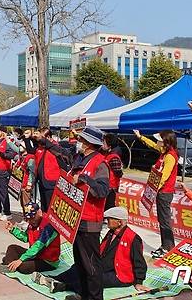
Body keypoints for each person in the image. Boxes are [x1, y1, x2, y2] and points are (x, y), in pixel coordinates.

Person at [44, 126, 109, 300]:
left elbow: (102, 191)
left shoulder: (100, 163)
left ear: (89, 143)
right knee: (79, 263)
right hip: (75, 221)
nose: (78, 142)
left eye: (81, 140)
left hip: (89, 223)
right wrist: (42, 141)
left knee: (91, 266)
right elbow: (60, 151)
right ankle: (82, 294)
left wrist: (83, 179)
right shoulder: (79, 158)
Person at [35, 207, 149, 295]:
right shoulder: (110, 233)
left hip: (119, 274)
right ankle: (54, 279)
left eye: (109, 219)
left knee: (92, 279)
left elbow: (139, 262)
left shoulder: (133, 238)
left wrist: (139, 282)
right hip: (104, 267)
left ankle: (64, 286)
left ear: (119, 222)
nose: (107, 221)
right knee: (79, 267)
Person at [133, 130, 178, 259]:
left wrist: (152, 190)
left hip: (164, 192)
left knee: (164, 221)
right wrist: (140, 137)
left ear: (166, 142)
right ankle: (166, 245)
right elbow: (153, 145)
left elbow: (164, 176)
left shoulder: (170, 156)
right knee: (162, 220)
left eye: (159, 139)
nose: (157, 142)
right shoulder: (164, 152)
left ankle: (168, 247)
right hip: (160, 192)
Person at [0, 202, 60, 274]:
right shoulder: (31, 223)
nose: (30, 221)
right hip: (35, 256)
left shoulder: (49, 226)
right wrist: (13, 230)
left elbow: (38, 247)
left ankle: (9, 263)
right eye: (28, 218)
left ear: (39, 212)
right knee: (12, 248)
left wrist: (21, 260)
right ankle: (8, 266)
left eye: (33, 217)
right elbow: (26, 238)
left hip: (47, 261)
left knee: (24, 267)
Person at [34, 128, 65, 212]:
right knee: (44, 206)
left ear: (48, 137)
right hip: (42, 181)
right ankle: (44, 223)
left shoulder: (55, 147)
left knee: (51, 207)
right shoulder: (41, 148)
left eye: (42, 138)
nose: (40, 141)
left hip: (51, 182)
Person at [102, 133, 124, 211]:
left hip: (111, 188)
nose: (102, 145)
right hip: (106, 186)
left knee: (109, 208)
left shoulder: (114, 157)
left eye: (104, 143)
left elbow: (118, 173)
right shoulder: (108, 155)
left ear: (109, 146)